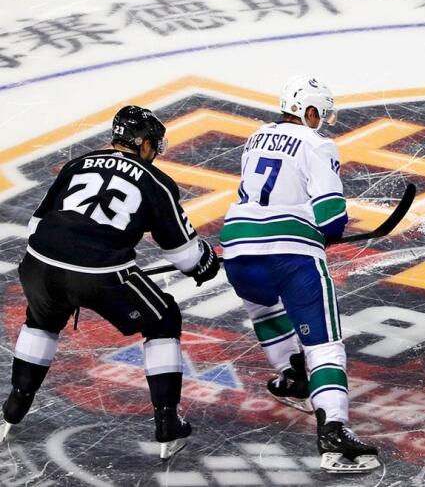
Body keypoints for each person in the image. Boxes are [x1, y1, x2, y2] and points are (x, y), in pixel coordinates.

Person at [0, 106, 221, 459]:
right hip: (99, 273)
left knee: (42, 320)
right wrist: (206, 264)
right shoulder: (156, 181)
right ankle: (167, 423)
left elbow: (36, 226)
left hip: (38, 263)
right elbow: (186, 256)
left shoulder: (78, 164)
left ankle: (13, 409)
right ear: (144, 143)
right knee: (163, 318)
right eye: (154, 144)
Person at [219, 77, 379, 474]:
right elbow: (332, 220)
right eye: (320, 114)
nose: (322, 122)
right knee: (324, 345)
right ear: (309, 112)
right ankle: (334, 431)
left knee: (265, 310)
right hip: (289, 252)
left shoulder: (256, 137)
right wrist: (325, 226)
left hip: (237, 246)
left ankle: (291, 377)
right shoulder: (317, 143)